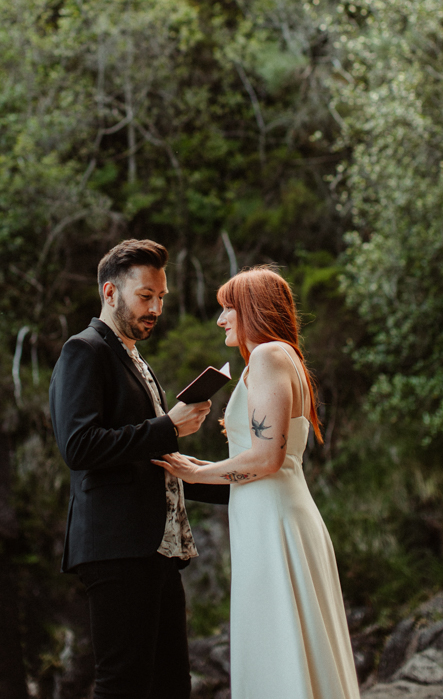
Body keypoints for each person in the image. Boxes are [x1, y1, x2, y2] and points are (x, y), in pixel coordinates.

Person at [154, 266, 360, 699]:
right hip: (269, 511)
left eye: (229, 308)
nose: (221, 319)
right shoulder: (280, 358)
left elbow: (267, 458)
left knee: (278, 637)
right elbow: (264, 455)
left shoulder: (268, 356)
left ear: (254, 310)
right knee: (284, 635)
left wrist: (195, 473)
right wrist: (201, 464)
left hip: (273, 517)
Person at [49, 238, 219, 699]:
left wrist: (234, 481)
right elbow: (78, 447)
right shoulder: (84, 350)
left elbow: (150, 461)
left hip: (158, 550)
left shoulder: (132, 358)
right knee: (122, 686)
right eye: (146, 296)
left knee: (171, 687)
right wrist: (168, 426)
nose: (156, 308)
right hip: (116, 545)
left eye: (161, 297)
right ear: (109, 293)